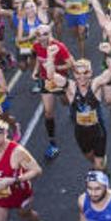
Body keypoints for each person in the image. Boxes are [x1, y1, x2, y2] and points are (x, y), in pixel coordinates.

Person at [0, 118, 45, 221]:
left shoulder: (17, 152)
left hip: (19, 192)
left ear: (5, 134)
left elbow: (37, 170)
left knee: (25, 214)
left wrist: (14, 180)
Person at [63, 58, 111, 170]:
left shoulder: (95, 84)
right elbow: (50, 76)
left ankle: (101, 170)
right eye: (78, 73)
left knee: (98, 166)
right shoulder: (71, 87)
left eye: (85, 73)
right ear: (74, 74)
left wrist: (109, 55)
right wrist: (49, 57)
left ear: (91, 72)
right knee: (90, 157)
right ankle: (100, 164)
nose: (82, 77)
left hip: (97, 131)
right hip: (80, 132)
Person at [31, 24, 76, 159]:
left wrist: (55, 67)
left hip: (60, 79)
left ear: (50, 34)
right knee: (48, 112)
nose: (42, 37)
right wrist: (35, 71)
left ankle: (72, 109)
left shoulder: (59, 46)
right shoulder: (36, 46)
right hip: (46, 81)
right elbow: (38, 60)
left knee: (64, 102)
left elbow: (71, 64)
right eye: (39, 35)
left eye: (46, 34)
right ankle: (52, 142)